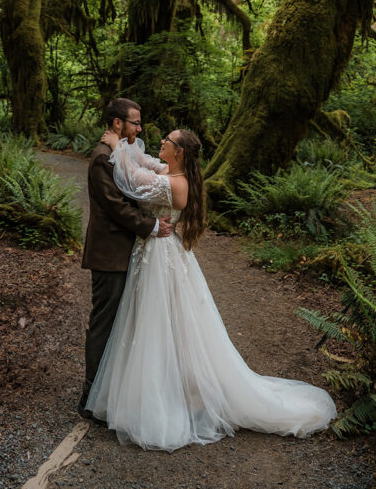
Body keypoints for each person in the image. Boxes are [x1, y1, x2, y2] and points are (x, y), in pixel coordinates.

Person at [85, 128, 337, 451]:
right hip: (152, 256)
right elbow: (144, 162)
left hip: (162, 260)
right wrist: (128, 147)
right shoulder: (168, 171)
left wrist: (114, 146)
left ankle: (170, 397)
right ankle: (164, 387)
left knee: (165, 324)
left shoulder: (175, 185)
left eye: (168, 141)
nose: (161, 142)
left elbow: (132, 179)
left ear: (180, 153)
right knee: (152, 324)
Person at [78, 98, 173, 420]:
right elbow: (116, 205)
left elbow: (136, 182)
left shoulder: (123, 152)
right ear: (116, 123)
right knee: (104, 321)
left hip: (127, 250)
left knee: (122, 321)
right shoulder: (102, 158)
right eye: (134, 122)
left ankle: (111, 391)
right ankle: (90, 396)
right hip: (110, 253)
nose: (139, 127)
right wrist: (153, 225)